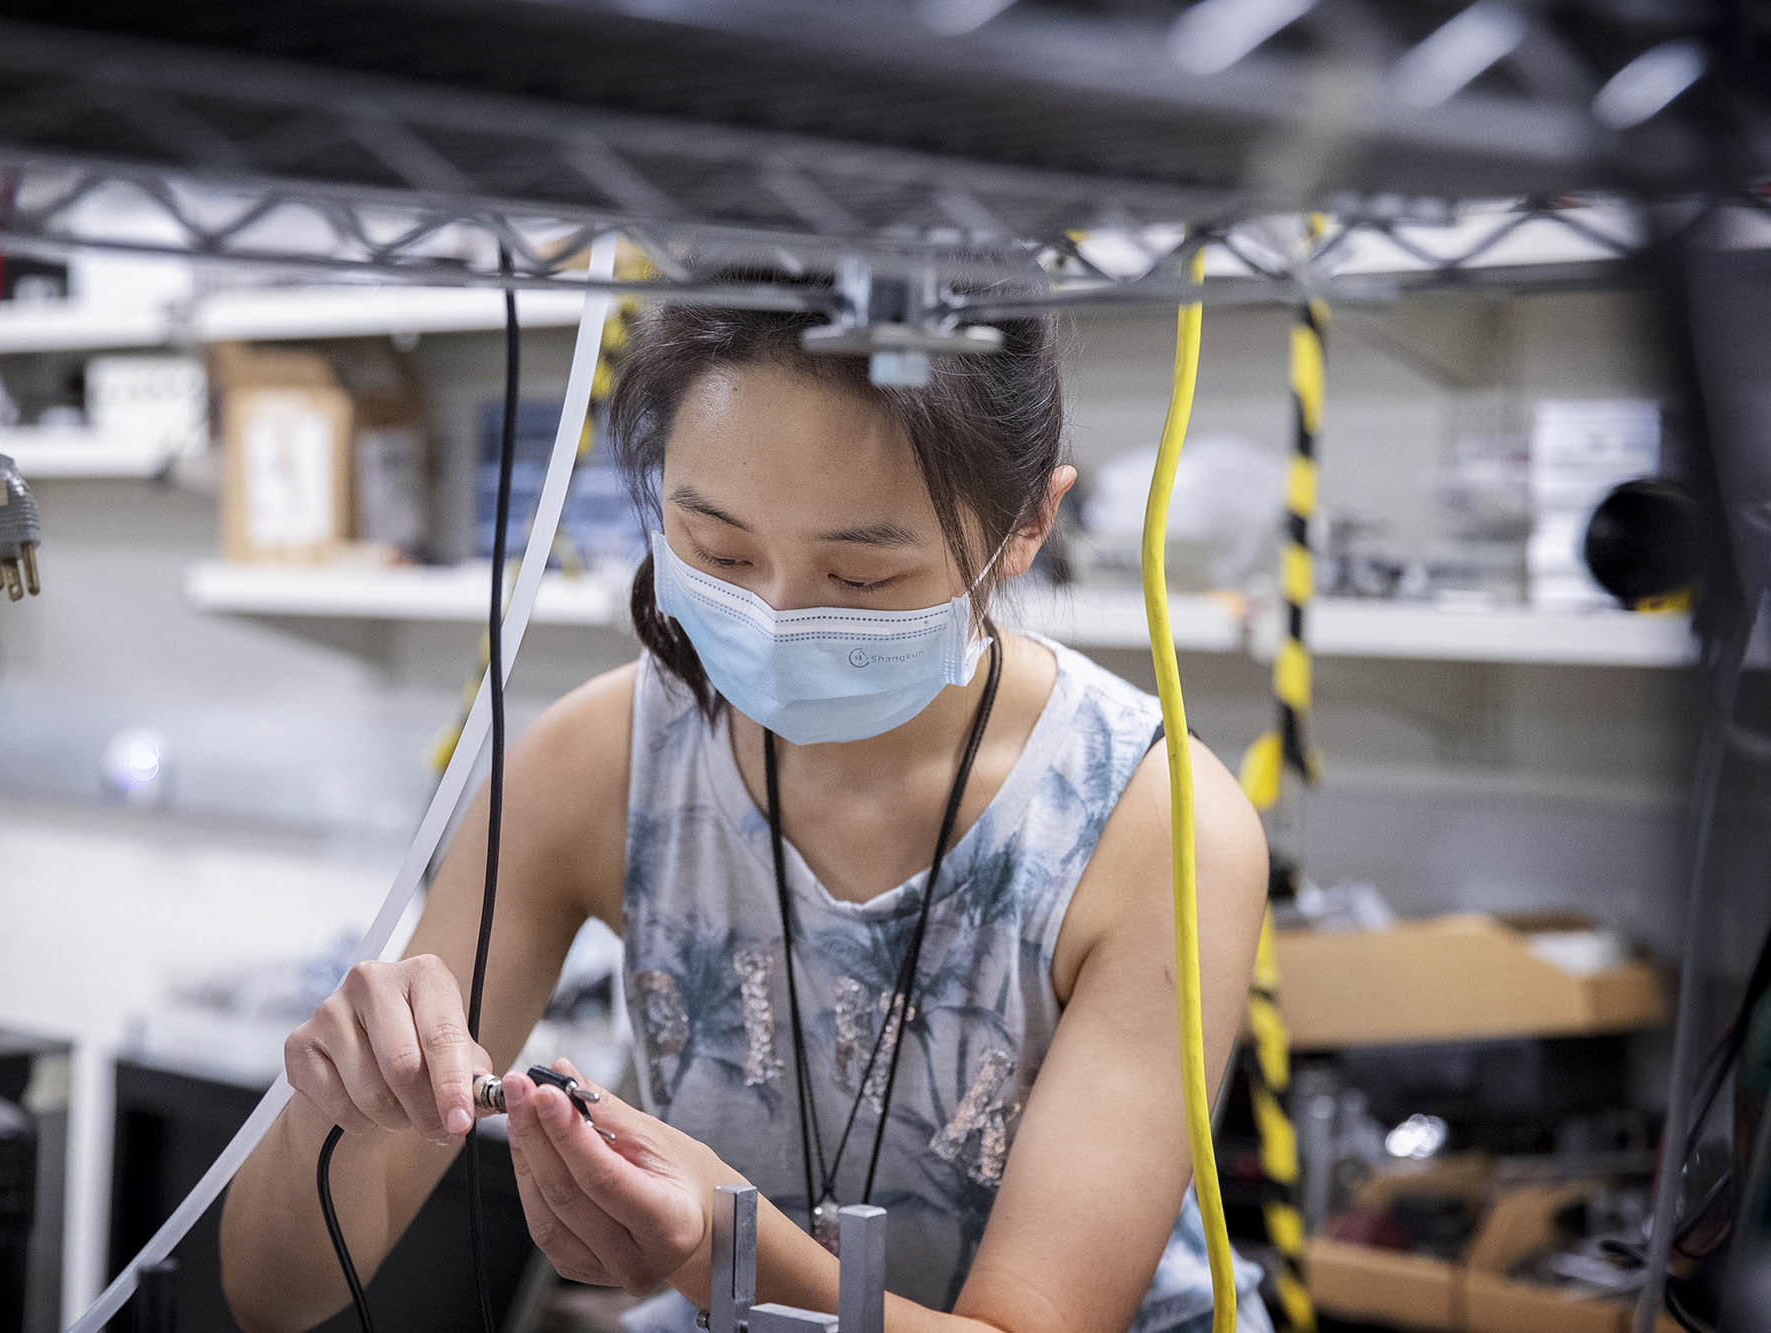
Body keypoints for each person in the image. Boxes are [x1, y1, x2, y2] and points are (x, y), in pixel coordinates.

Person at [220, 282, 1274, 1332]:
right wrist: (345, 1097)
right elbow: (275, 1295)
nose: (772, 620)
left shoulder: (1149, 824)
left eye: (859, 577)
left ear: (1026, 525)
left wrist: (720, 1246)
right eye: (718, 554)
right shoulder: (599, 764)